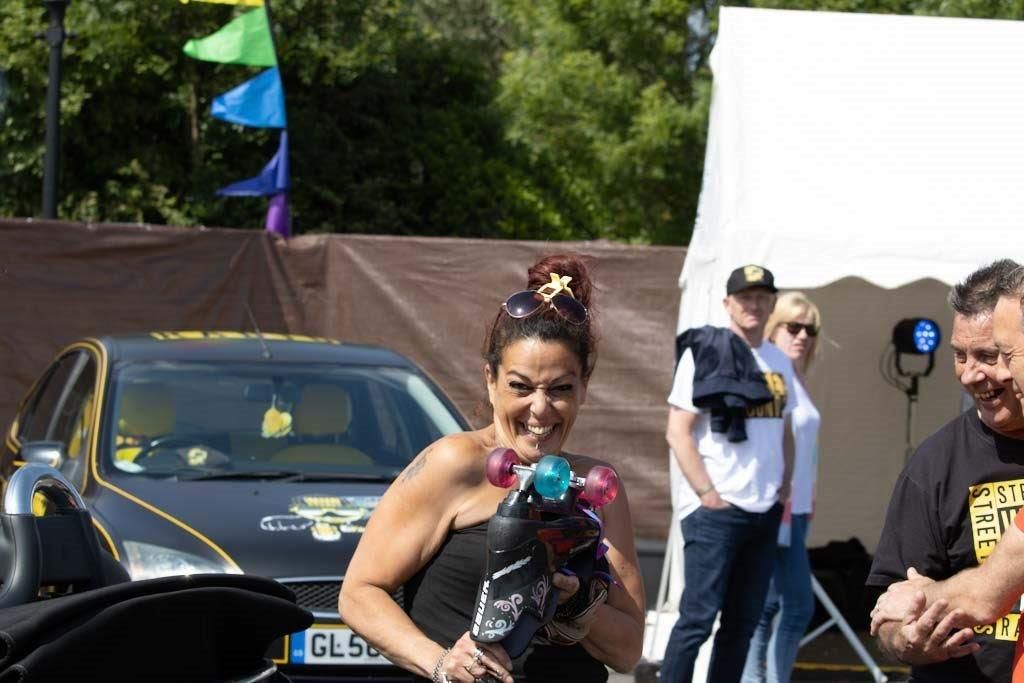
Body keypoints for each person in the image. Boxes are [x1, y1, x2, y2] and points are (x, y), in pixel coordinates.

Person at [338, 254, 646, 683]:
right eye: (520, 386)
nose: (540, 409)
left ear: (584, 386)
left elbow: (629, 651)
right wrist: (441, 663)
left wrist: (579, 606)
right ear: (490, 379)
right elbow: (359, 593)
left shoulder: (597, 488)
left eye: (560, 389)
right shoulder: (454, 464)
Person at [867, 259, 1024, 681]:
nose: (971, 374)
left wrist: (926, 598)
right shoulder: (934, 465)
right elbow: (891, 610)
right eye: (959, 355)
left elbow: (986, 595)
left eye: (991, 355)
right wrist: (907, 638)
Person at [660, 264, 797, 683]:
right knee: (697, 620)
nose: (753, 305)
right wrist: (707, 493)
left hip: (764, 509)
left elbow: (785, 429)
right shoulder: (704, 352)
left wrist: (785, 486)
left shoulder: (779, 360)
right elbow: (678, 430)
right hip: (716, 511)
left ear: (772, 304)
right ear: (728, 304)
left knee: (742, 624)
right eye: (745, 297)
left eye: (762, 297)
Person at [742, 292, 823, 683]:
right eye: (794, 326)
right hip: (778, 509)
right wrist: (781, 504)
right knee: (796, 606)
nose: (803, 335)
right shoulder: (769, 374)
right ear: (773, 329)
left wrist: (808, 499)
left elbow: (806, 447)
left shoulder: (794, 377)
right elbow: (764, 445)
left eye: (810, 329)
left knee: (768, 606)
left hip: (798, 509)